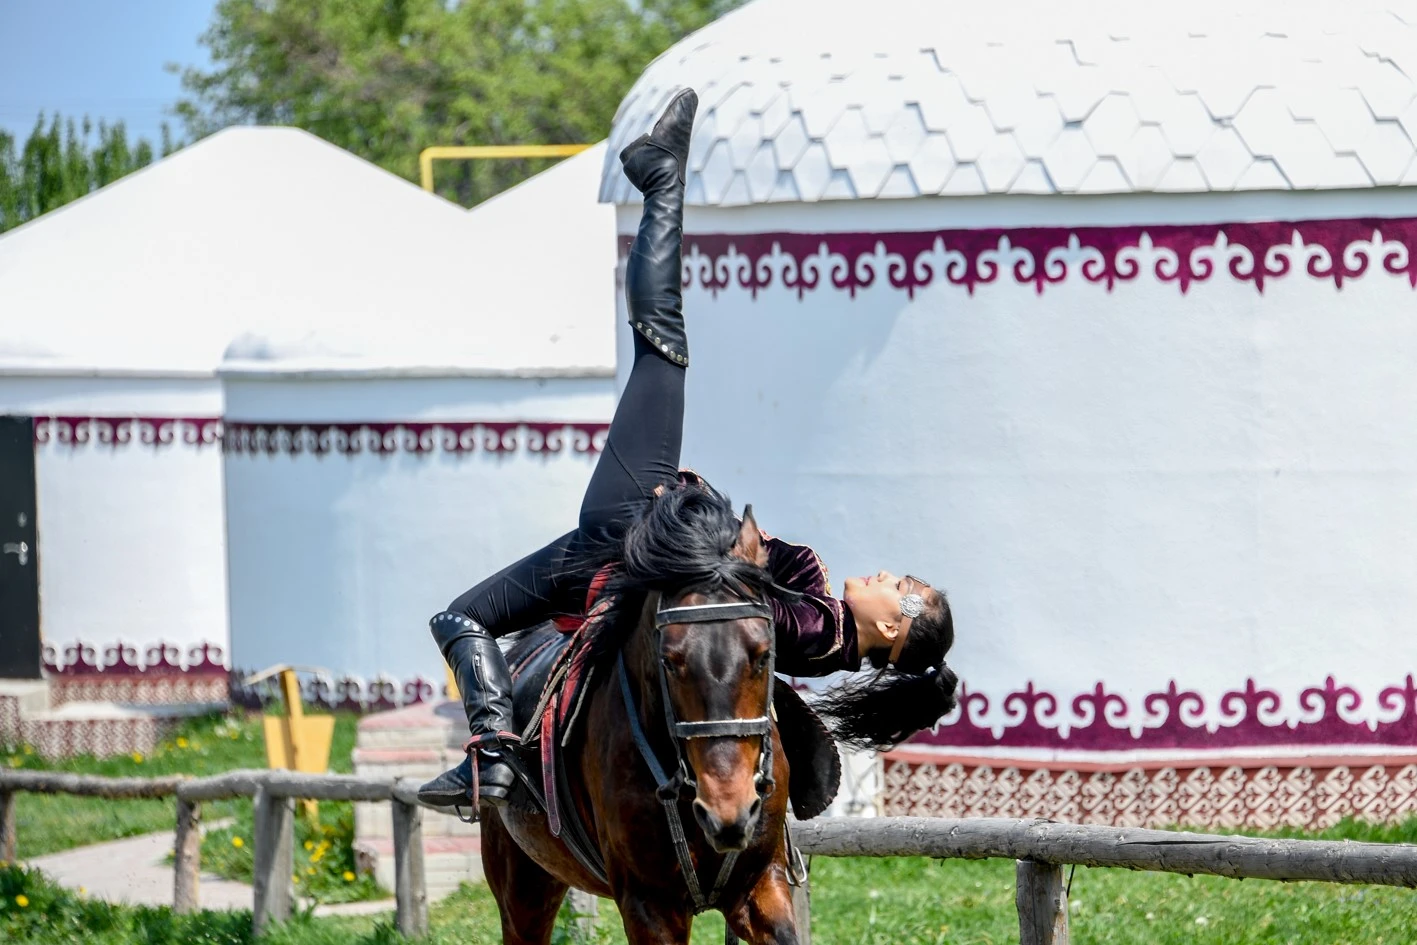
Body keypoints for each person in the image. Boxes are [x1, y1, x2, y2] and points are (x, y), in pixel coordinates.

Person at [419, 88, 959, 810]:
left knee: (661, 344)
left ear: (891, 624)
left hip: (631, 530)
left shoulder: (815, 627)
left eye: (903, 585)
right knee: (462, 616)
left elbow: (747, 584)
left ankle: (662, 179)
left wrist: (753, 547)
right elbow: (763, 566)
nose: (889, 573)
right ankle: (489, 758)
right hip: (628, 543)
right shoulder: (822, 623)